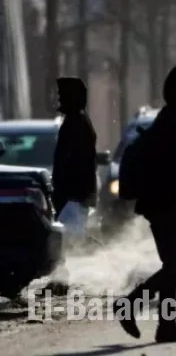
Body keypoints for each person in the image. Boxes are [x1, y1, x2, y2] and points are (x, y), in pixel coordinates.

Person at [113, 63, 176, 343]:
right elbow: (173, 170)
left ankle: (167, 326)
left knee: (173, 263)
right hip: (166, 205)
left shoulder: (172, 119)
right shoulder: (175, 123)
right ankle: (130, 304)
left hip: (165, 205)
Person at [48, 77, 98, 289]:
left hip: (74, 195)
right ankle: (59, 280)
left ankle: (60, 282)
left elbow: (76, 164)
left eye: (64, 95)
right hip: (72, 194)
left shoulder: (77, 123)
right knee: (67, 240)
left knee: (66, 241)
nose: (60, 99)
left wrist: (73, 193)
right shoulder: (76, 121)